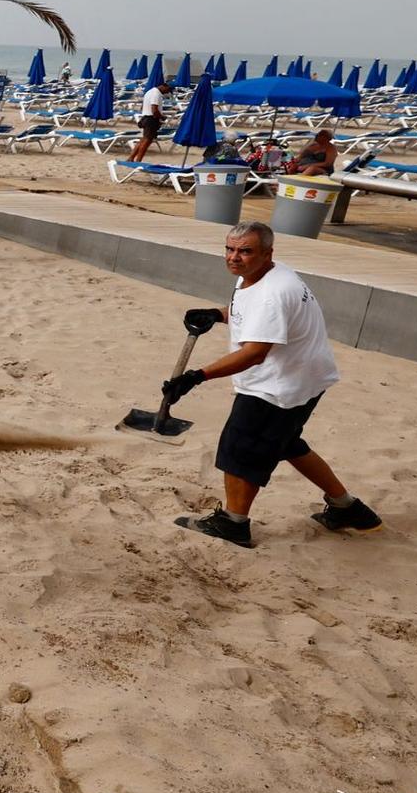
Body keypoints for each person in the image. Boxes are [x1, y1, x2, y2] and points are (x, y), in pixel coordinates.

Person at [162, 221, 381, 547]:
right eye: (230, 249)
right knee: (285, 443)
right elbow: (249, 312)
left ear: (267, 253)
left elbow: (254, 353)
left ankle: (233, 523)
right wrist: (218, 314)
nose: (235, 257)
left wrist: (196, 377)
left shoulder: (273, 295)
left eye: (245, 251)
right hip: (306, 377)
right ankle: (348, 508)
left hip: (279, 387)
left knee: (241, 448)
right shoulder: (263, 273)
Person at [127, 78, 169, 162]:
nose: (167, 92)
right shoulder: (156, 94)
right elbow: (154, 110)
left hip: (146, 118)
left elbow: (143, 107)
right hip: (151, 119)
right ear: (164, 86)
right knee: (147, 141)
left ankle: (131, 158)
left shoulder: (150, 92)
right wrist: (161, 117)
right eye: (168, 89)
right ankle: (138, 161)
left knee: (144, 139)